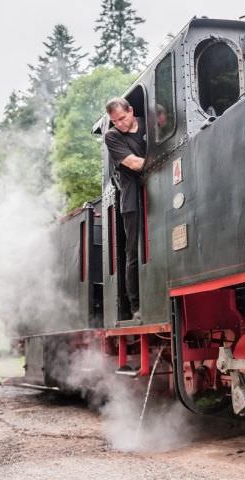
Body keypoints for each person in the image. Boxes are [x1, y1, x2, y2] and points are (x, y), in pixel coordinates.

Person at [104, 97, 146, 320]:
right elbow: (134, 163)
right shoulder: (112, 136)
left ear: (131, 111)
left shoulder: (147, 122)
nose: (119, 124)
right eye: (114, 121)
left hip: (155, 188)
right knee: (132, 251)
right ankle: (136, 305)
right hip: (130, 196)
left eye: (122, 118)